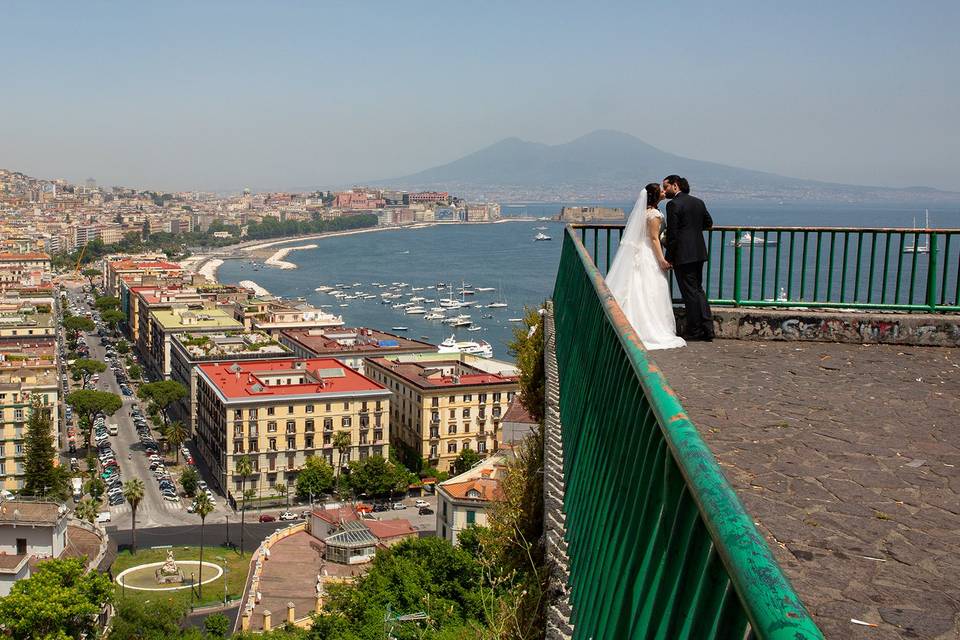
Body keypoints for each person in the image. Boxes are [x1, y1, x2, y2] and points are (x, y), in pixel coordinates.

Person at [605, 183, 685, 350]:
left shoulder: (642, 213)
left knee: (637, 286)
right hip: (649, 253)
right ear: (656, 196)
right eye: (661, 191)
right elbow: (654, 239)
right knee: (652, 288)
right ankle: (649, 327)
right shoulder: (654, 214)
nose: (664, 192)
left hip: (639, 251)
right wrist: (662, 259)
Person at [663, 175, 714, 340]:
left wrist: (668, 257)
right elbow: (708, 223)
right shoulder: (698, 202)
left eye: (666, 187)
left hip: (683, 254)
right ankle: (708, 328)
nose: (664, 191)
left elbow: (673, 234)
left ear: (675, 185)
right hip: (699, 252)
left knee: (689, 293)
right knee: (698, 290)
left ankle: (695, 330)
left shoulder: (673, 205)